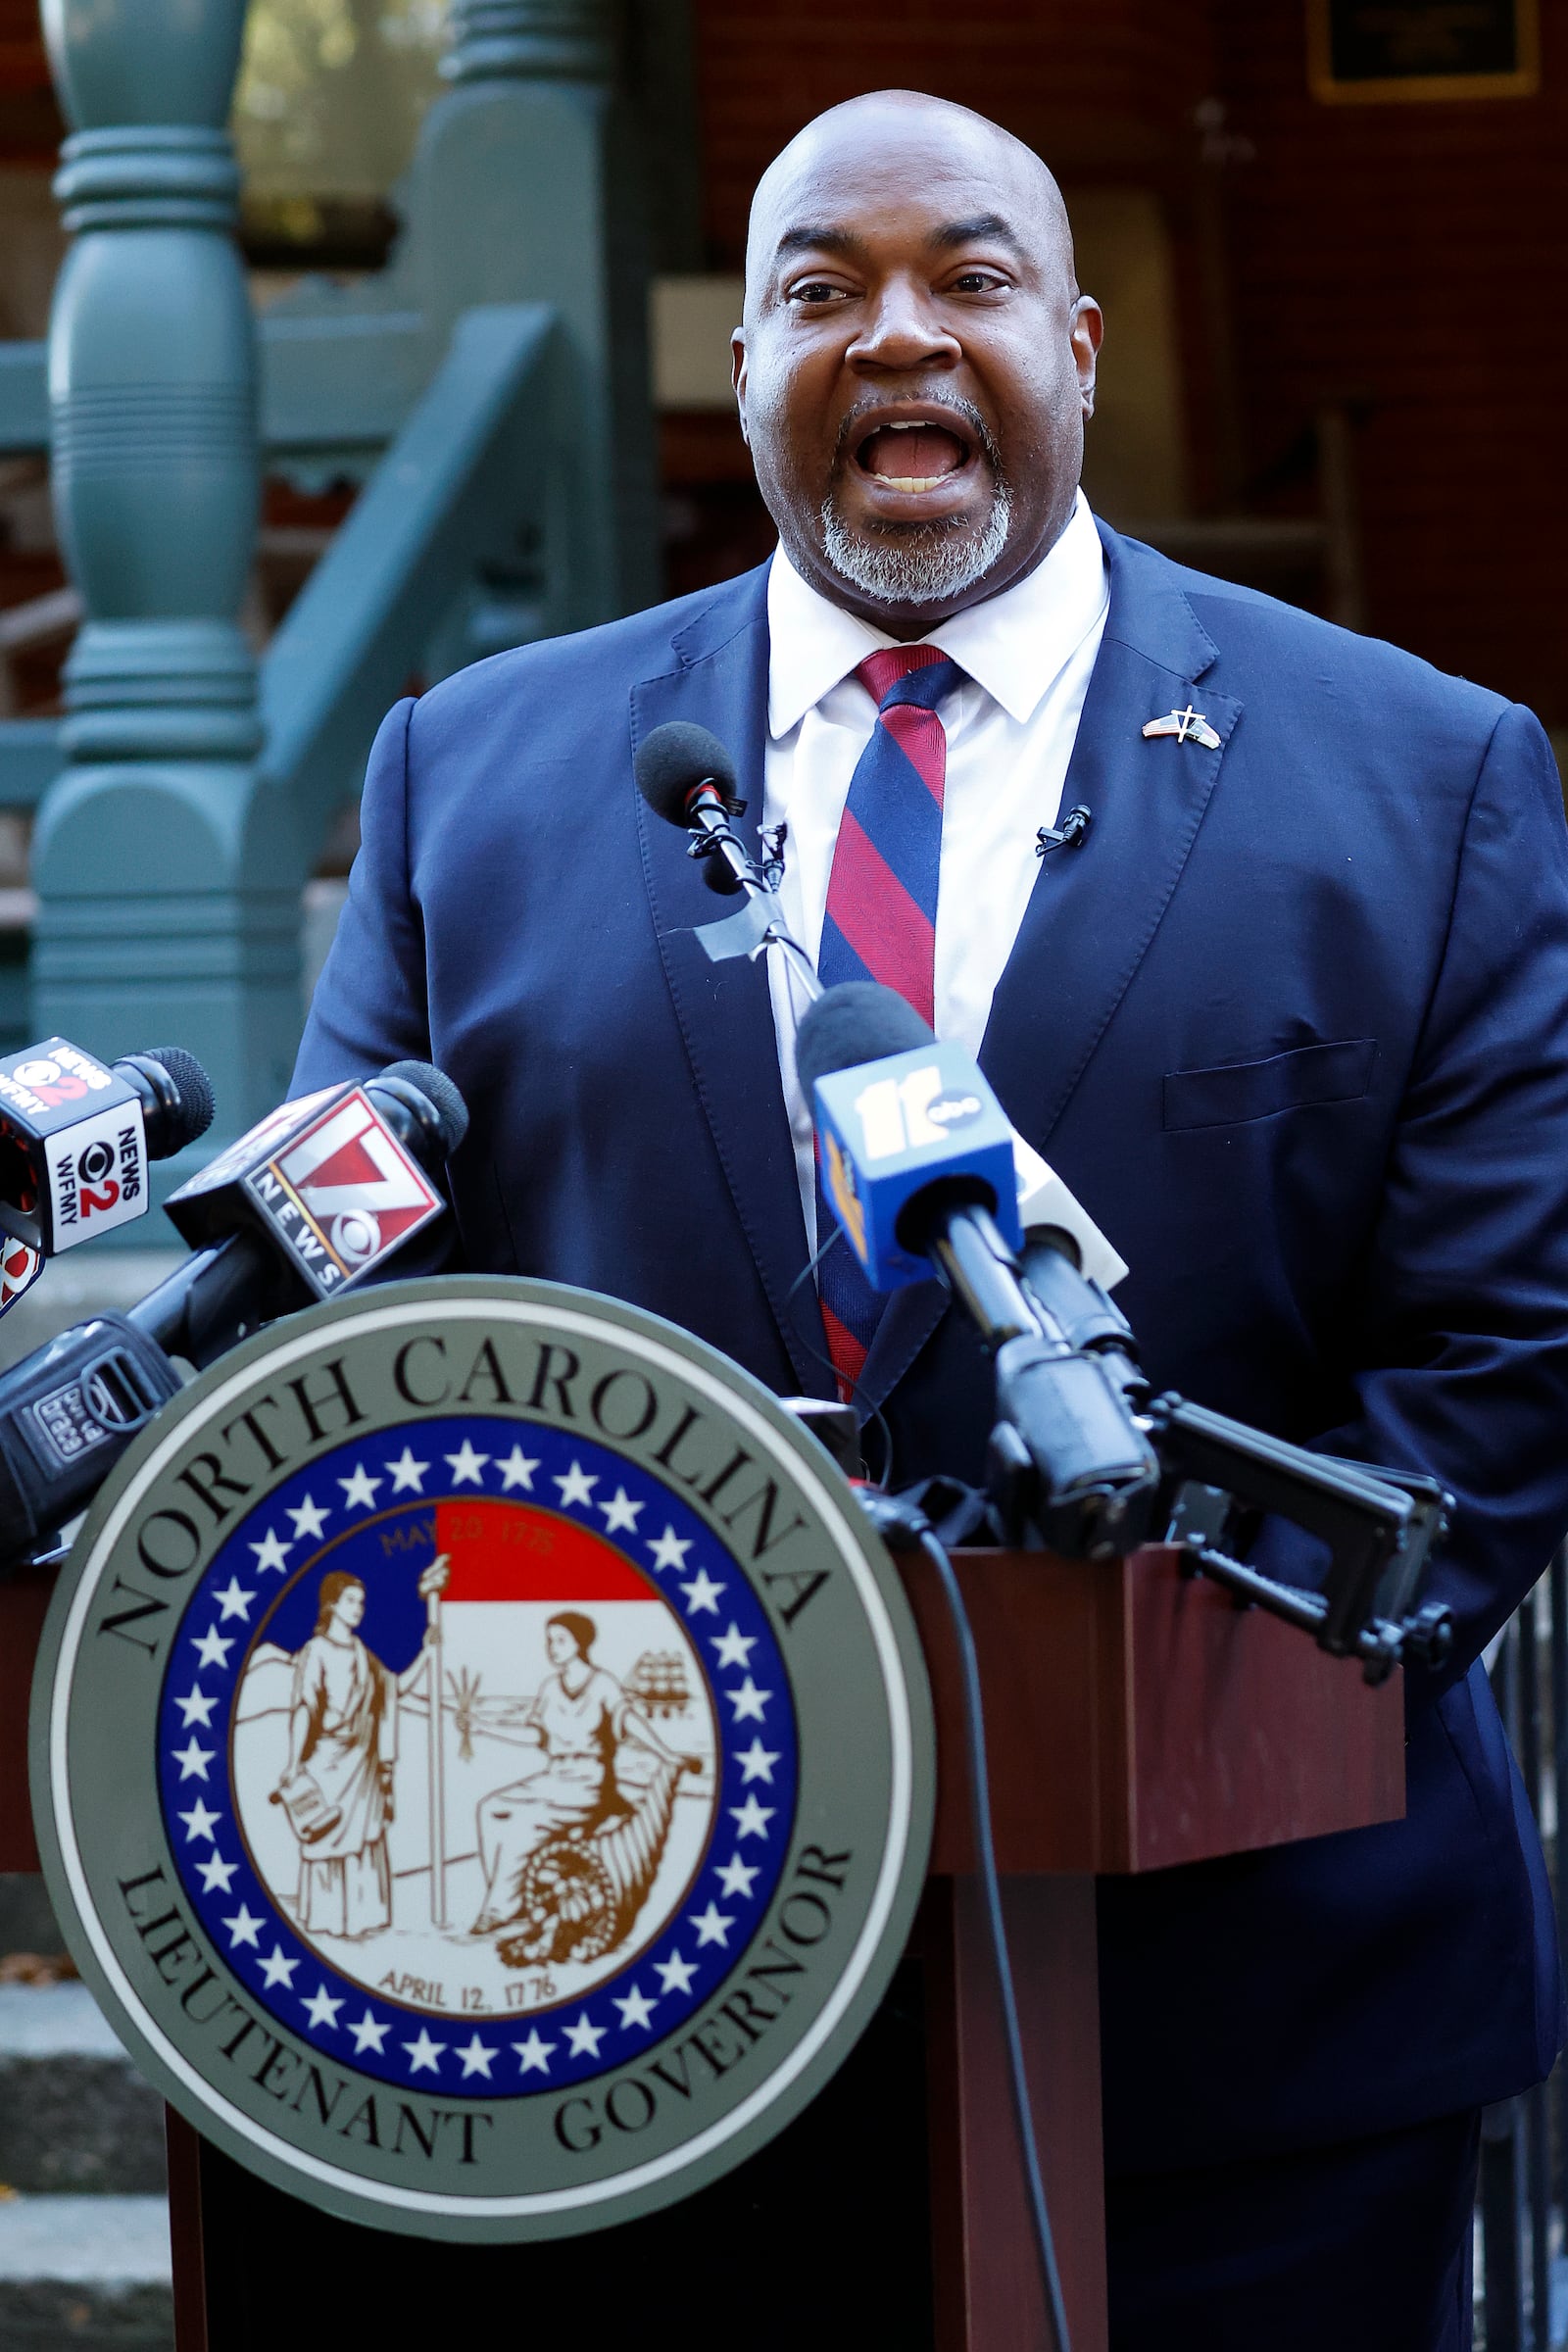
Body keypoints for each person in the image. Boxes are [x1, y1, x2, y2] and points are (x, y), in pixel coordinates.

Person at [294, 87, 1568, 2349]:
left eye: (967, 280)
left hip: (1247, 2033)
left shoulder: (1421, 773)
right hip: (627, 2020)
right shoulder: (465, 773)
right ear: (741, 373)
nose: (897, 336)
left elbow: (1493, 1368)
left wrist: (1130, 1700)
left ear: (1072, 348)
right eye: (819, 290)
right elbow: (349, 1334)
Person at [470, 1609, 698, 1936]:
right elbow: (536, 1737)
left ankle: (499, 1909)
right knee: (490, 1809)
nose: (552, 1647)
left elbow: (630, 1722)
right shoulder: (550, 1687)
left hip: (589, 1783)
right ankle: (514, 1898)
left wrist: (666, 1754)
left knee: (524, 1823)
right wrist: (483, 1726)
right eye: (549, 1640)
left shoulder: (602, 1684)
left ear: (579, 1644)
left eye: (560, 1640)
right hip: (554, 1777)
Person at [276, 1563, 446, 1937]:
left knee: (364, 1837)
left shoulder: (361, 1653)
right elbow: (304, 1707)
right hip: (327, 1761)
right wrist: (292, 1762)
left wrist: (426, 1653)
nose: (358, 1608)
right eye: (351, 1600)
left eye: (362, 1602)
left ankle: (362, 1918)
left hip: (363, 1764)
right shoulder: (315, 1651)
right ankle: (327, 1918)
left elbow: (394, 1691)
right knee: (326, 1837)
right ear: (332, 1605)